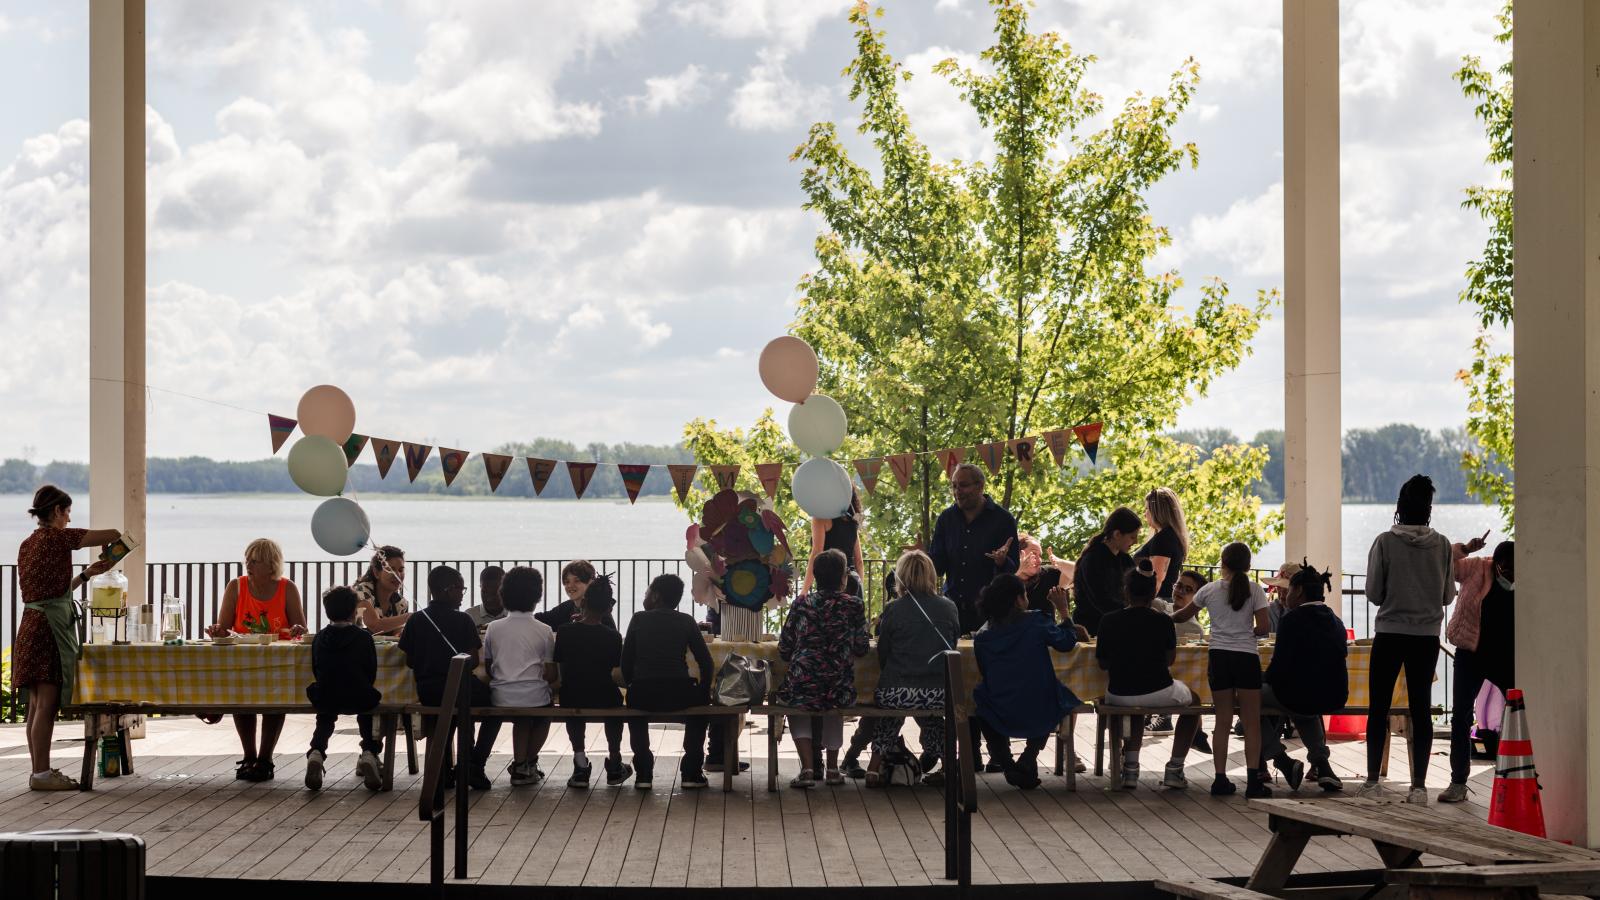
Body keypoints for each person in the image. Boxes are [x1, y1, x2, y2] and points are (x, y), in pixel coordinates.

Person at [14, 486, 120, 791]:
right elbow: (109, 533)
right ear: (57, 511)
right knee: (46, 702)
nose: (69, 517)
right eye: (67, 511)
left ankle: (39, 770)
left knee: (35, 703)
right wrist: (115, 541)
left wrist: (86, 575)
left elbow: (53, 593)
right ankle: (42, 774)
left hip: (31, 623)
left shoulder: (27, 544)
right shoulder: (59, 537)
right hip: (48, 628)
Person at [1357, 475, 1454, 804]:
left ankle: (1372, 782)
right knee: (1421, 710)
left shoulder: (1385, 542)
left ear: (1400, 507)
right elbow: (1447, 595)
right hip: (1426, 637)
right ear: (1428, 508)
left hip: (1390, 634)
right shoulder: (1441, 545)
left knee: (1378, 708)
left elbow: (1373, 593)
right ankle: (1419, 786)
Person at [204, 538, 308, 782]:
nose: (248, 564)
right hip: (242, 660)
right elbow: (225, 628)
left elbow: (301, 627)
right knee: (242, 702)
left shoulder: (287, 588)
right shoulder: (236, 586)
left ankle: (265, 758)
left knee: (274, 703)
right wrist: (216, 631)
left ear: (271, 564)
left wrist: (295, 630)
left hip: (277, 661)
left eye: (255, 561)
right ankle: (249, 756)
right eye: (247, 559)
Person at [1173, 541, 1271, 797]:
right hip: (1246, 658)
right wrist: (1244, 632)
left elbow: (1183, 615)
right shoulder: (1255, 590)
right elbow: (1263, 628)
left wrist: (1158, 618)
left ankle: (1219, 779)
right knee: (1251, 723)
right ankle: (1253, 782)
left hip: (1219, 657)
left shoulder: (1209, 590)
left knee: (1222, 720)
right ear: (1248, 566)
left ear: (1222, 563)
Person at [971, 573, 1085, 790]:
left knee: (981, 702)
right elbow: (1066, 642)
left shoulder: (983, 636)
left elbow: (984, 671)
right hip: (1038, 704)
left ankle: (1006, 763)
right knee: (1056, 695)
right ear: (1018, 599)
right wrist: (1064, 611)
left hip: (1000, 706)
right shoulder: (1036, 622)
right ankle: (1029, 756)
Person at [1096, 559, 1203, 790]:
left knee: (1136, 706)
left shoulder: (1108, 621)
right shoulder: (1163, 621)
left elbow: (1103, 663)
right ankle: (1175, 768)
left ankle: (1131, 769)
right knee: (1195, 702)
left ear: (1126, 591)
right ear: (1153, 592)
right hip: (1158, 689)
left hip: (1119, 694)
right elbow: (1170, 660)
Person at [398, 565, 502, 790]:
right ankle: (474, 763)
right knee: (496, 706)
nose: (462, 595)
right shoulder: (463, 620)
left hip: (428, 692)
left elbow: (409, 660)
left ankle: (443, 770)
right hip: (459, 689)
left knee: (445, 717)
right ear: (448, 590)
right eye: (460, 589)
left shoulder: (416, 619)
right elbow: (473, 661)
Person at [778, 549, 872, 788]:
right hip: (838, 681)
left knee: (795, 703)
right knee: (835, 703)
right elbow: (862, 647)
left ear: (816, 576)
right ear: (843, 577)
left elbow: (784, 648)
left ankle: (808, 769)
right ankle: (832, 769)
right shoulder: (854, 605)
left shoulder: (802, 604)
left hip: (804, 679)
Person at [866, 550, 959, 788]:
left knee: (890, 715)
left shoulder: (893, 609)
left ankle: (874, 768)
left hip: (897, 689)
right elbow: (953, 645)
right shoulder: (949, 608)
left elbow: (883, 651)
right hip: (939, 692)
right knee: (935, 719)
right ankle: (949, 766)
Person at [1259, 563, 1347, 793]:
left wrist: (1260, 679)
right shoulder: (1336, 621)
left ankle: (1281, 760)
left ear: (1298, 591)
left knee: (1245, 699)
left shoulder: (1292, 620)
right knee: (1302, 703)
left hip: (1298, 695)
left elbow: (1278, 669)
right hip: (1334, 695)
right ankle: (1322, 765)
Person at [622, 574, 716, 789]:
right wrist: (703, 690)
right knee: (701, 712)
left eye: (646, 592)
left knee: (634, 710)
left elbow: (626, 661)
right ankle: (691, 771)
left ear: (655, 596)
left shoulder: (638, 619)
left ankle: (644, 771)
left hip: (644, 692)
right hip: (679, 692)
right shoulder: (686, 621)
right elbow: (706, 663)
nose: (645, 596)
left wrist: (631, 685)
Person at [1439, 535, 1512, 804]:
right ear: (1496, 563)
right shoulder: (1478, 567)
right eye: (1505, 568)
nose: (1509, 574)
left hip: (1507, 658)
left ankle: (1516, 776)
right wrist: (1466, 549)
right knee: (1460, 716)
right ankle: (1458, 781)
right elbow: (1446, 562)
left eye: (1514, 569)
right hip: (1470, 653)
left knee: (1519, 714)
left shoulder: (1529, 577)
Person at [304, 586, 384, 792]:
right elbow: (370, 671)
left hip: (326, 694)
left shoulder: (320, 637)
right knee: (367, 706)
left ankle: (317, 751)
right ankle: (369, 751)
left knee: (325, 715)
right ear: (353, 611)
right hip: (358, 694)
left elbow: (316, 668)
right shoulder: (364, 637)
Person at [555, 576, 632, 788]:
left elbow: (562, 669)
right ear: (608, 608)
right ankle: (615, 761)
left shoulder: (565, 631)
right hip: (603, 694)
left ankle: (580, 764)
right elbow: (615, 672)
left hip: (573, 694)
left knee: (572, 694)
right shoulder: (613, 637)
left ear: (584, 602)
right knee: (614, 701)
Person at [483, 567, 556, 787]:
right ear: (537, 597)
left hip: (501, 695)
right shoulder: (544, 630)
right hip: (535, 697)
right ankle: (527, 762)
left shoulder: (493, 628)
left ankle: (521, 765)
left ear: (503, 594)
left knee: (522, 720)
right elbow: (551, 673)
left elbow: (488, 667)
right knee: (543, 716)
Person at [929, 463, 1020, 637]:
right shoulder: (946, 519)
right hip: (951, 610)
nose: (957, 491)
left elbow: (1012, 570)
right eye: (954, 486)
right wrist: (921, 558)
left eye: (963, 485)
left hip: (988, 614)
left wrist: (1002, 562)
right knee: (952, 661)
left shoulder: (1003, 520)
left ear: (980, 486)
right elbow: (938, 567)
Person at [1071, 507, 1140, 637]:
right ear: (1117, 534)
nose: (1136, 542)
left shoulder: (1125, 560)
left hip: (1116, 624)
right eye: (1132, 537)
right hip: (1093, 629)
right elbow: (1101, 600)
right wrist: (1130, 614)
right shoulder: (1092, 559)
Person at [803, 489, 867, 597]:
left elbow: (816, 553)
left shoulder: (821, 517)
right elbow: (859, 562)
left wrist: (804, 591)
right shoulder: (852, 519)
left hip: (829, 585)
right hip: (853, 581)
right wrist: (859, 587)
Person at [1135, 487, 1189, 607]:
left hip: (1156, 602)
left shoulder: (1163, 538)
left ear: (1157, 512)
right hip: (1162, 600)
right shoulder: (1170, 535)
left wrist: (1142, 606)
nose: (1145, 514)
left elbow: (1156, 578)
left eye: (1147, 509)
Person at [538, 559, 617, 632]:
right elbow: (539, 619)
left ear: (590, 582)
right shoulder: (566, 607)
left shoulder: (601, 613)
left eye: (577, 581)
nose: (570, 586)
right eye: (567, 582)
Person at [353, 545, 411, 635]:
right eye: (390, 569)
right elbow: (374, 625)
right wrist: (408, 617)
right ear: (376, 573)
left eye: (401, 570)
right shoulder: (362, 591)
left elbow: (396, 638)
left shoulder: (401, 603)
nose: (398, 575)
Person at [1261, 562, 1305, 634]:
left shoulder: (1308, 611)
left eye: (1287, 588)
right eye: (1279, 587)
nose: (1282, 592)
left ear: (1299, 591)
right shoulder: (1270, 610)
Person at [465, 565, 507, 631]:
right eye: (484, 592)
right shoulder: (470, 616)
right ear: (480, 588)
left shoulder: (515, 616)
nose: (489, 598)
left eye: (494, 593)